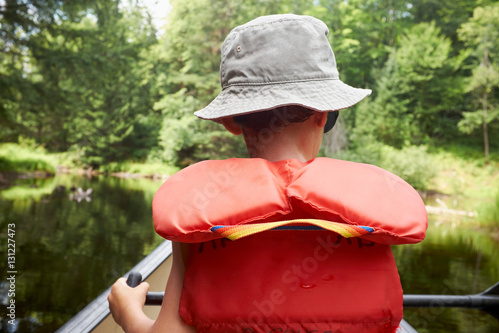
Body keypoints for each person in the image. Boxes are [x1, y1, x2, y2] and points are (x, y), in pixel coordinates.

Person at [108, 14, 427, 333]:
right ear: (325, 115)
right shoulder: (366, 206)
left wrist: (127, 312)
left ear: (232, 121)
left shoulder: (205, 210)